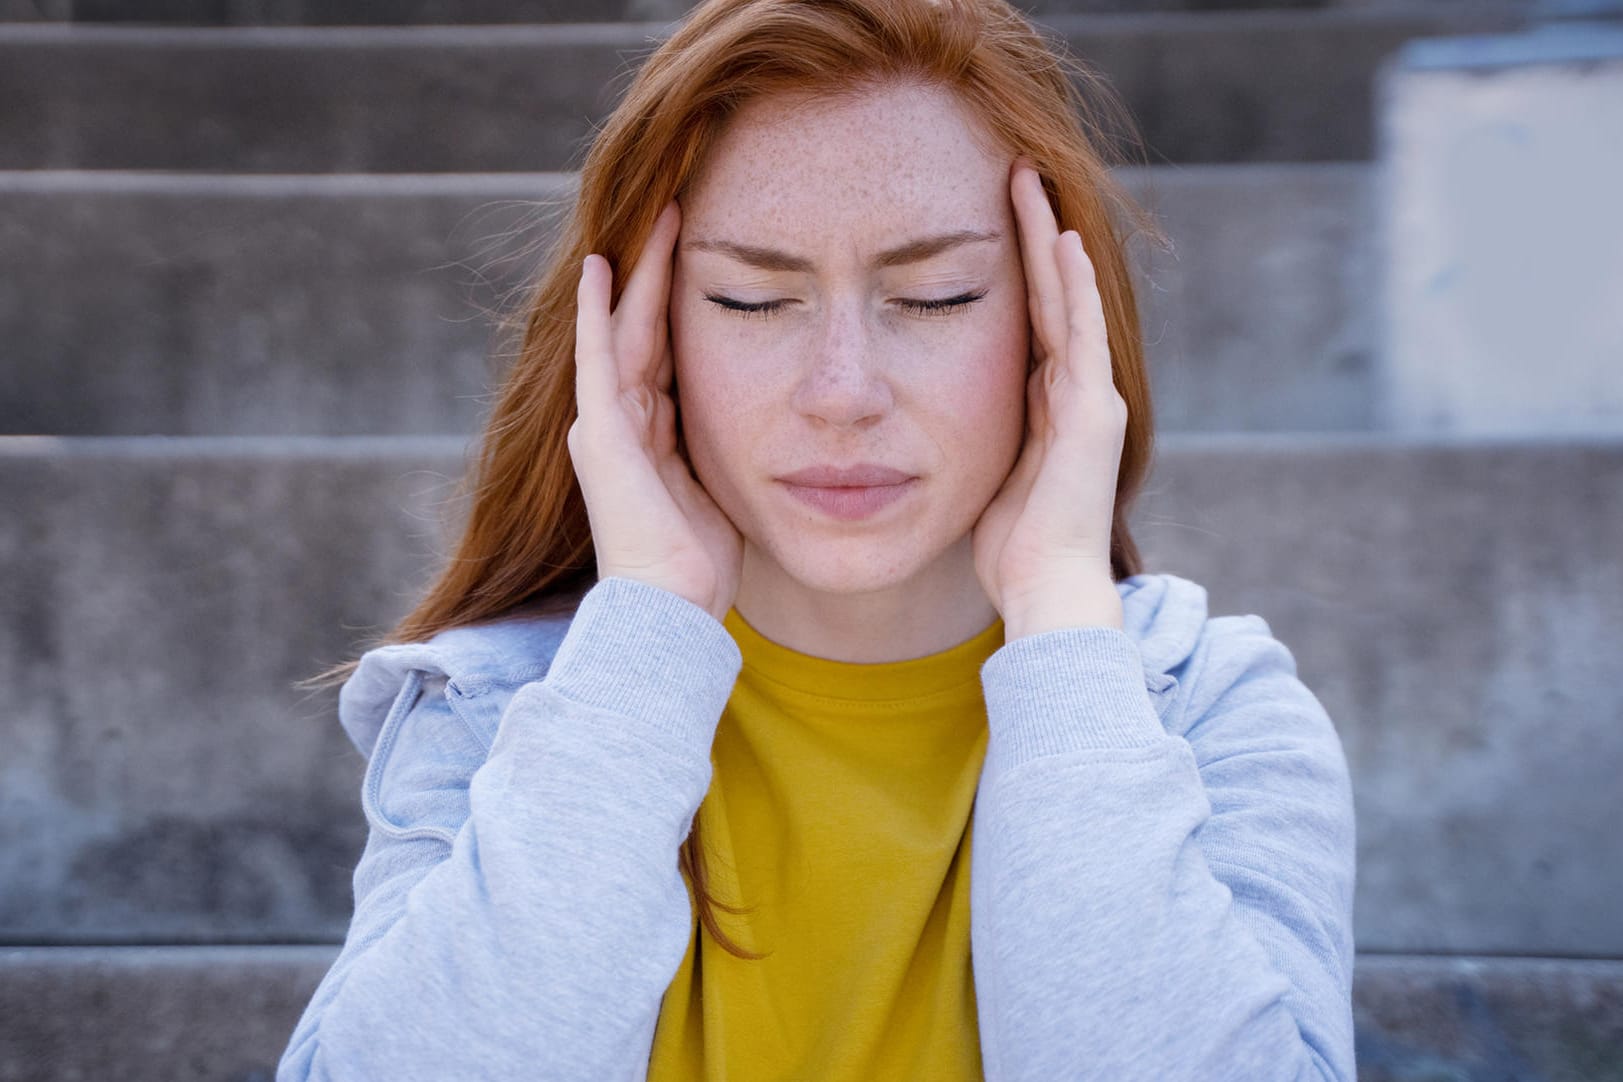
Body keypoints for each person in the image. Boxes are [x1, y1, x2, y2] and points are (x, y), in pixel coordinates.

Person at [277, 0, 1357, 1078]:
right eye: (752, 300)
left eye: (936, 297)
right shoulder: (487, 709)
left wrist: (1064, 610)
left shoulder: (1215, 709)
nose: (842, 391)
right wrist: (647, 625)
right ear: (645, 340)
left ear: (1051, 322)